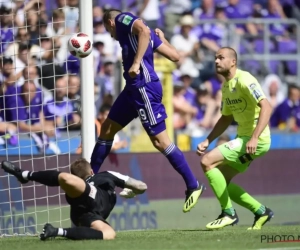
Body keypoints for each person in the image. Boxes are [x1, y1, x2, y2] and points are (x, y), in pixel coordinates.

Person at [90, 9, 205, 213]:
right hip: (132, 89)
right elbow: (175, 56)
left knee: (161, 141)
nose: (110, 34)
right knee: (107, 128)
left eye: (108, 29)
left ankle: (193, 184)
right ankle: (89, 181)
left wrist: (136, 62)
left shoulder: (122, 19)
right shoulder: (143, 34)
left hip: (144, 87)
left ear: (110, 22)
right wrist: (163, 39)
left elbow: (142, 29)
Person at [197, 47, 274, 230]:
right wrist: (209, 139)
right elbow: (226, 117)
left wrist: (254, 137)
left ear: (233, 62)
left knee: (207, 162)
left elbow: (267, 107)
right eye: (215, 58)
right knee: (222, 179)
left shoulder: (245, 80)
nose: (216, 61)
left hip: (255, 139)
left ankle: (228, 213)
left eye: (221, 58)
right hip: (246, 139)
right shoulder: (226, 86)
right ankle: (261, 211)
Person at [1, 159, 147, 240]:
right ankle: (24, 174)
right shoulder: (106, 174)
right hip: (90, 195)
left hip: (86, 214)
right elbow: (142, 186)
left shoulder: (104, 176)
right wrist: (133, 192)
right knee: (64, 178)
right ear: (91, 172)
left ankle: (56, 231)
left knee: (109, 234)